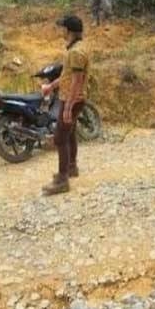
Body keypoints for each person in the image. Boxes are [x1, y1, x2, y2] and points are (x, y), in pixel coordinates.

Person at [42, 15, 89, 196]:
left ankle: (62, 180)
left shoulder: (76, 52)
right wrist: (51, 87)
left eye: (62, 28)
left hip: (72, 98)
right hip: (71, 96)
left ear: (68, 31)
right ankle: (71, 167)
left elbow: (77, 80)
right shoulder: (74, 49)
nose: (60, 31)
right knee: (70, 133)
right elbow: (67, 76)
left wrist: (68, 106)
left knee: (60, 137)